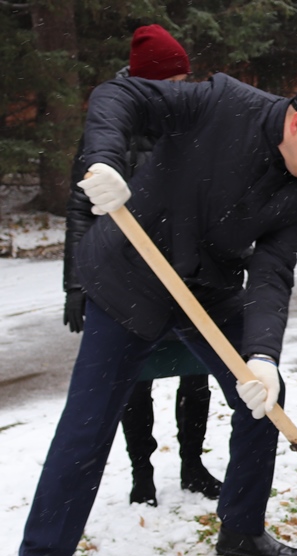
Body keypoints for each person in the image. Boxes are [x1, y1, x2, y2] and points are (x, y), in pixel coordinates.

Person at [8, 71, 297, 556]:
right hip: (130, 275)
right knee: (90, 421)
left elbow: (273, 272)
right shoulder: (220, 103)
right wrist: (104, 161)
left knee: (262, 399)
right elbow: (118, 94)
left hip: (207, 291)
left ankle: (242, 528)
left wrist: (263, 356)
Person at [63, 24, 221, 507]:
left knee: (197, 376)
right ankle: (143, 475)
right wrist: (75, 285)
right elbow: (79, 206)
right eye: (171, 84)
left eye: (183, 82)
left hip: (187, 273)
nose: (180, 92)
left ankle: (193, 466)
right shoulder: (111, 127)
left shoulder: (190, 124)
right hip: (128, 277)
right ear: (148, 84)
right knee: (136, 382)